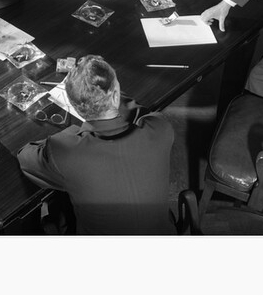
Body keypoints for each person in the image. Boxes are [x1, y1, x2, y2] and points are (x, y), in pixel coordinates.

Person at [17, 55, 176, 235]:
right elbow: (139, 110)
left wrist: (66, 136)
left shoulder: (65, 150)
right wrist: (107, 91)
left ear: (75, 107)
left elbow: (25, 156)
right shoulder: (161, 129)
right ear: (116, 95)